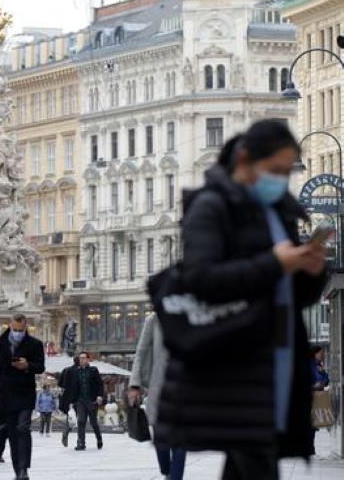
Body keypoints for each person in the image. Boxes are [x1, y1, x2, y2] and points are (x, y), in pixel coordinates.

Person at [155, 119, 327, 480]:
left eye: (286, 171)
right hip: (238, 362)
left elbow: (290, 293)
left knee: (248, 465)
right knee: (255, 462)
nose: (280, 179)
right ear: (246, 159)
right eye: (275, 170)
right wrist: (274, 262)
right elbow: (201, 279)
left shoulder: (278, 211)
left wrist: (310, 270)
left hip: (276, 358)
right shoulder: (211, 207)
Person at [0, 314, 45, 480]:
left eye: (21, 330)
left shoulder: (35, 344)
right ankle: (17, 470)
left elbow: (40, 367)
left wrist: (27, 365)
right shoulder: (2, 344)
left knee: (23, 428)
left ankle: (24, 468)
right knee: (12, 433)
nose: (18, 332)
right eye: (15, 329)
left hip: (25, 393)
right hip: (6, 394)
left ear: (25, 327)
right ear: (10, 326)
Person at [129, 314, 186, 480]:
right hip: (159, 387)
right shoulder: (154, 320)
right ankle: (167, 469)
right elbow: (141, 352)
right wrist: (135, 384)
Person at [61, 352, 103, 450]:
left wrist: (100, 395)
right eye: (80, 358)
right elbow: (73, 388)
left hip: (92, 400)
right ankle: (81, 443)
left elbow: (100, 384)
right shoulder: (76, 372)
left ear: (88, 359)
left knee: (93, 422)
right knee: (81, 421)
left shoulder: (93, 370)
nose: (82, 360)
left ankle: (99, 438)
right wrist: (71, 401)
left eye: (84, 358)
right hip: (80, 401)